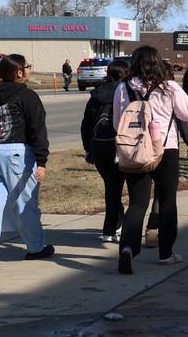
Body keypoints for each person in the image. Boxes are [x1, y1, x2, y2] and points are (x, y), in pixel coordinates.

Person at [112, 46, 188, 273]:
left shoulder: (123, 88)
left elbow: (117, 124)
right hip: (165, 149)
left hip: (135, 152)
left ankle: (127, 249)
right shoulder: (169, 87)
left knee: (137, 203)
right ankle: (166, 253)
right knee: (167, 202)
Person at [0, 54, 54, 270]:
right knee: (25, 204)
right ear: (19, 72)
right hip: (16, 154)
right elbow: (37, 131)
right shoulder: (27, 96)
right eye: (28, 67)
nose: (29, 70)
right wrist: (41, 160)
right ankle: (35, 248)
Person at [80, 58, 129, 243]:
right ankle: (112, 228)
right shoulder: (126, 93)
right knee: (116, 188)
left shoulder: (96, 96)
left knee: (111, 186)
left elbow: (86, 125)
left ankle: (114, 225)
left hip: (99, 147)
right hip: (120, 146)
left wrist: (89, 149)